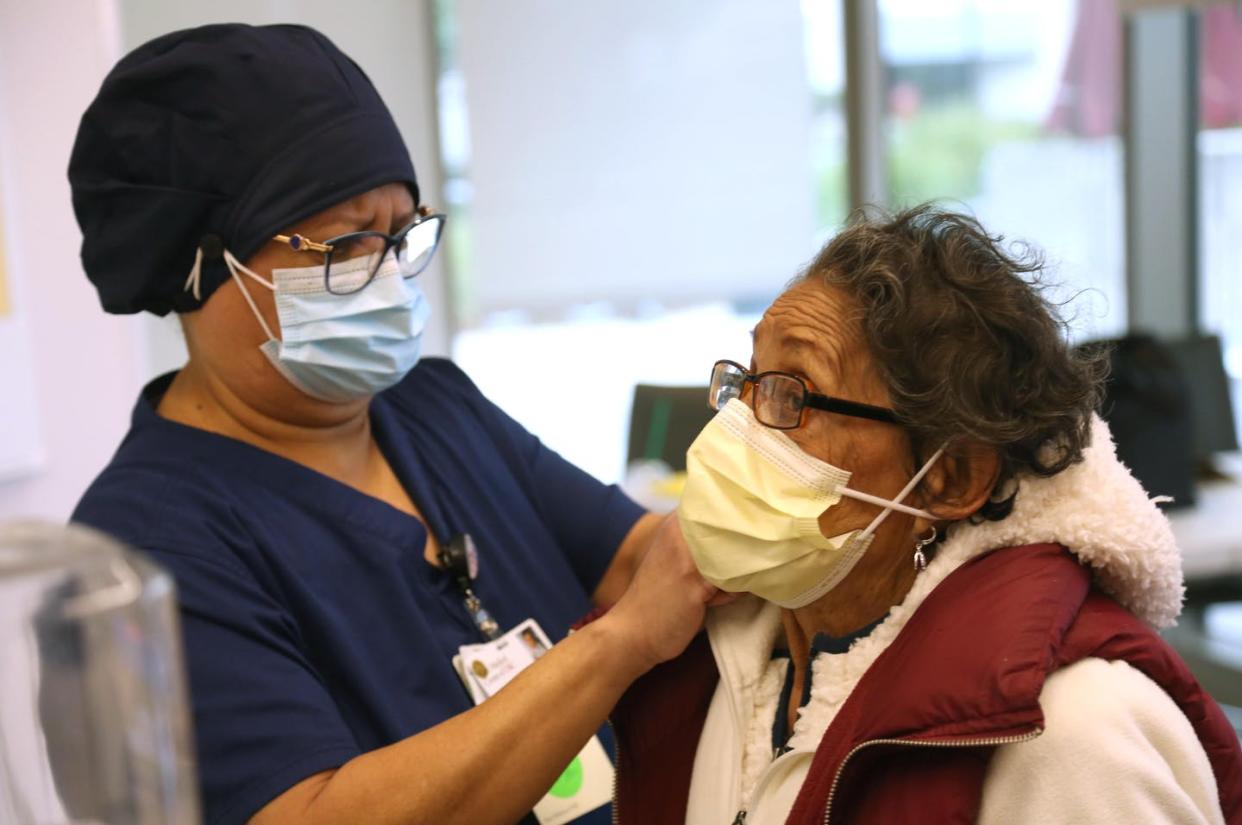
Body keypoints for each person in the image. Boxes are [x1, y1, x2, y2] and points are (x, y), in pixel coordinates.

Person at [67, 24, 722, 825]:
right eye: (344, 245)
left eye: (401, 232)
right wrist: (617, 645)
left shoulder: (433, 406)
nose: (386, 274)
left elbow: (633, 558)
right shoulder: (147, 548)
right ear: (199, 269)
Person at [606, 206, 1242, 824]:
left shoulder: (1072, 731)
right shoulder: (709, 656)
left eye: (792, 393)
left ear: (948, 480)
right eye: (749, 380)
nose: (739, 425)